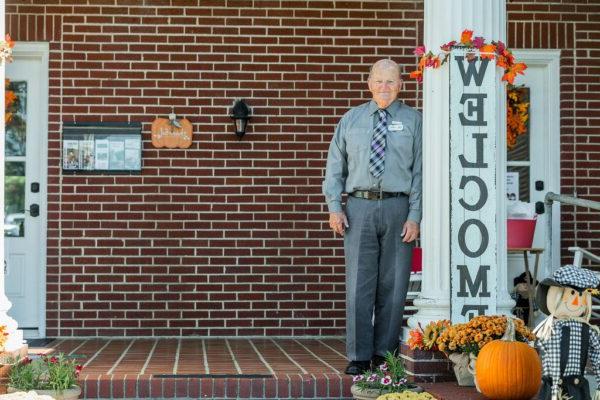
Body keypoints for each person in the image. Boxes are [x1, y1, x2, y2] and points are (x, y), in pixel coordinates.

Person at [322, 59, 422, 375]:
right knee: (359, 285)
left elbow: (421, 173)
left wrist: (415, 215)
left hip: (398, 208)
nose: (384, 87)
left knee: (394, 284)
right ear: (369, 83)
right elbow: (334, 168)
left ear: (401, 84)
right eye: (379, 81)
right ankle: (359, 355)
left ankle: (384, 353)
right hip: (359, 208)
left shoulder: (414, 121)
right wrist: (334, 208)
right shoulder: (350, 121)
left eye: (391, 81)